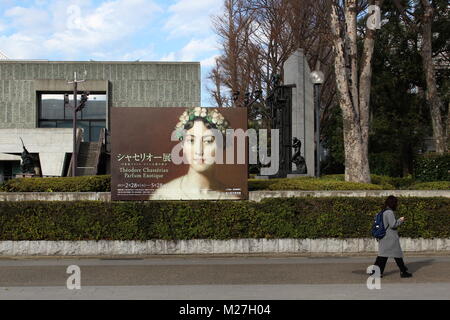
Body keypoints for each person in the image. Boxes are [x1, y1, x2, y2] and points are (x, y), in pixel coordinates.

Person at [150, 107, 240, 200]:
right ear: (183, 145)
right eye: (191, 140)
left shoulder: (233, 199)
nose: (199, 151)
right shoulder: (163, 195)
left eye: (208, 141)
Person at [373, 195, 412, 278]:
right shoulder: (389, 212)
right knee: (397, 255)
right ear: (393, 203)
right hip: (390, 238)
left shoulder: (383, 211)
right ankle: (403, 272)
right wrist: (400, 220)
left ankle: (376, 272)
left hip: (384, 237)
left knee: (383, 256)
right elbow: (393, 224)